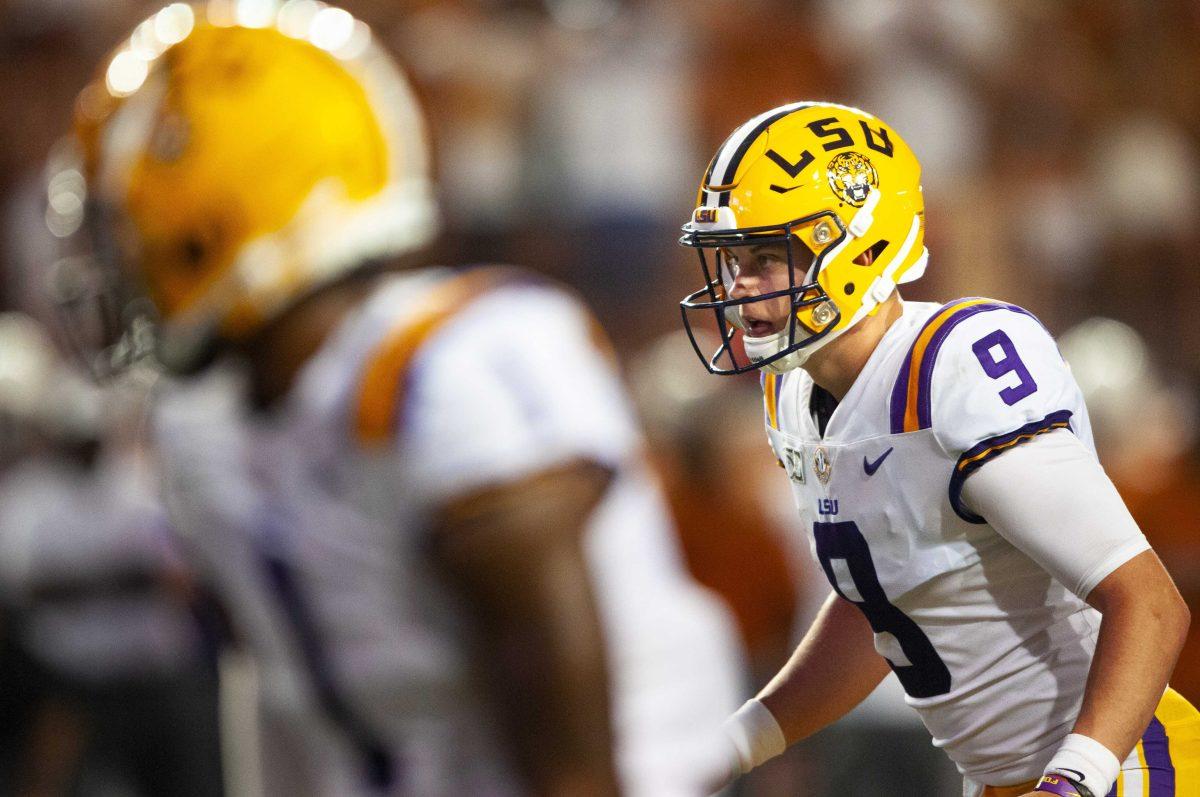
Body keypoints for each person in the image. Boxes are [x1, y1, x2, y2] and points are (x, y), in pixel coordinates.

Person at [55, 3, 742, 795]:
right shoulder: (202, 429)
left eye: (129, 219)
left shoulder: (454, 368)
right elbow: (283, 706)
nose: (117, 257)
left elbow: (576, 756)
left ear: (224, 198)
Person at [676, 101, 1196, 797]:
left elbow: (1150, 603)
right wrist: (733, 742)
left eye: (767, 256)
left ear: (859, 244)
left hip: (1123, 764)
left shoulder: (955, 371)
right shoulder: (794, 394)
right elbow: (879, 606)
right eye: (733, 259)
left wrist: (1077, 778)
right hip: (1002, 779)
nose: (739, 289)